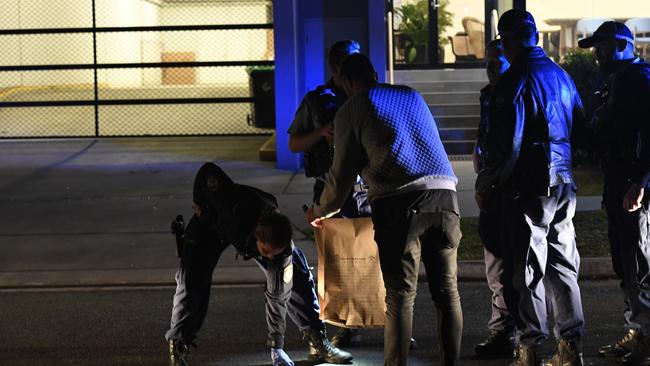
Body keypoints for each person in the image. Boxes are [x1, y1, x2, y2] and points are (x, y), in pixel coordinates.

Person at [306, 53, 463, 366]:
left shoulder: (351, 109)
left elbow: (340, 177)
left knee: (401, 296)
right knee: (447, 293)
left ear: (346, 81)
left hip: (399, 204)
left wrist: (320, 211)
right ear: (374, 72)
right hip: (446, 197)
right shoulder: (411, 95)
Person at [475, 9, 587, 366]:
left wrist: (489, 183)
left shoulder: (514, 80)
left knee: (527, 269)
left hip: (528, 187)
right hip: (563, 182)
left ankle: (530, 347)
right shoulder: (562, 75)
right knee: (563, 264)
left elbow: (507, 147)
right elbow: (581, 130)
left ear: (506, 40)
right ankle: (570, 346)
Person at [165, 162, 352, 366]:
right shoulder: (231, 203)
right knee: (191, 283)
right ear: (257, 239)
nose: (271, 259)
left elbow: (277, 297)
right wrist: (198, 199)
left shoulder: (280, 248)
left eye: (275, 255)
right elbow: (208, 170)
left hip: (257, 235)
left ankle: (316, 338)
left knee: (296, 277)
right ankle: (179, 343)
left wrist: (276, 347)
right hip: (210, 227)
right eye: (267, 253)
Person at [287, 39, 370, 347]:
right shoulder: (318, 100)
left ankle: (391, 320)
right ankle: (346, 325)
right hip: (332, 188)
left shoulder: (367, 94)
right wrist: (321, 133)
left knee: (375, 258)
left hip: (367, 189)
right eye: (347, 63)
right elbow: (294, 143)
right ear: (335, 69)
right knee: (338, 262)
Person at [578, 21, 650, 365]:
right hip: (618, 185)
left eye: (601, 46)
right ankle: (637, 331)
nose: (596, 53)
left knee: (641, 264)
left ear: (622, 44)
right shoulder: (618, 82)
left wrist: (642, 182)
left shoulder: (642, 80)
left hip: (637, 189)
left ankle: (646, 338)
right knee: (626, 263)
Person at [472, 39, 517, 359]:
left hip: (511, 190)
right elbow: (483, 137)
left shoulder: (517, 92)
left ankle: (512, 331)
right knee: (496, 266)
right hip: (491, 186)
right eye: (488, 62)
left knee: (510, 266)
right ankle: (503, 328)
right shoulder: (489, 96)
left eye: (497, 61)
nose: (491, 67)